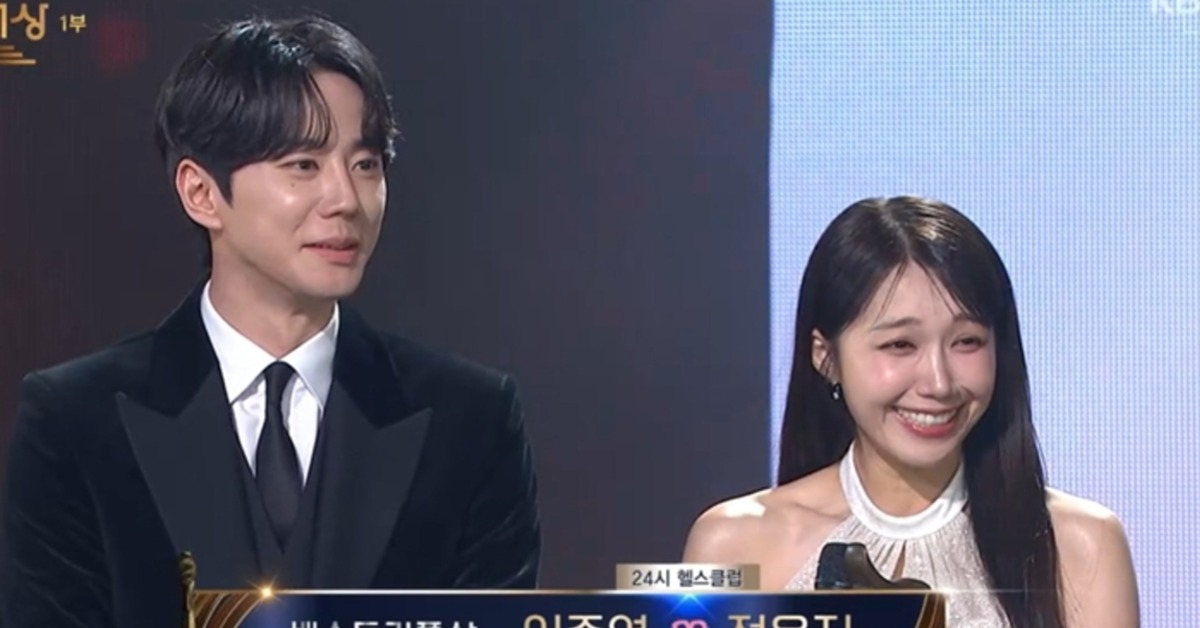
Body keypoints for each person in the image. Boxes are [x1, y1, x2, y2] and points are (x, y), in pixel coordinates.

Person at [0, 15, 541, 628]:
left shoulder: (471, 421)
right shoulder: (76, 422)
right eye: (303, 165)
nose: (346, 199)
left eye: (365, 164)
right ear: (202, 193)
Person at [683, 197, 1138, 627]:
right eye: (900, 344)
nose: (938, 383)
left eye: (967, 342)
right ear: (826, 357)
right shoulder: (728, 542)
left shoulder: (1083, 543)